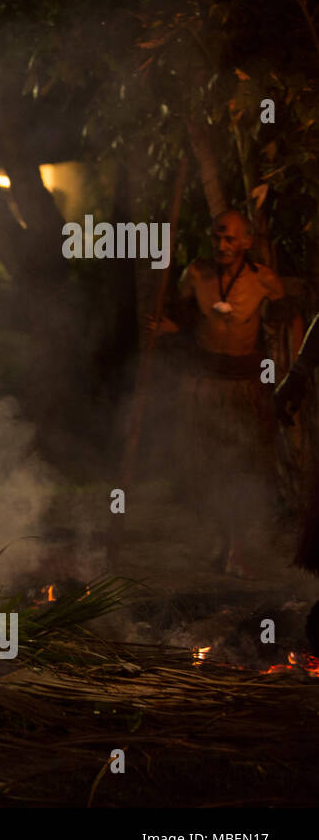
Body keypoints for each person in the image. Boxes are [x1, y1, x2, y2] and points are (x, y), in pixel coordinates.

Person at [148, 209, 285, 576]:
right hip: (204, 383)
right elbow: (183, 318)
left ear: (246, 241)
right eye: (216, 237)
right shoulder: (196, 274)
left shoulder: (264, 281)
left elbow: (287, 323)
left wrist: (285, 375)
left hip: (244, 387)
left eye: (229, 238)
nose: (221, 245)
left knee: (242, 464)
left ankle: (237, 549)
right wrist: (166, 329)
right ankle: (221, 543)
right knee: (207, 466)